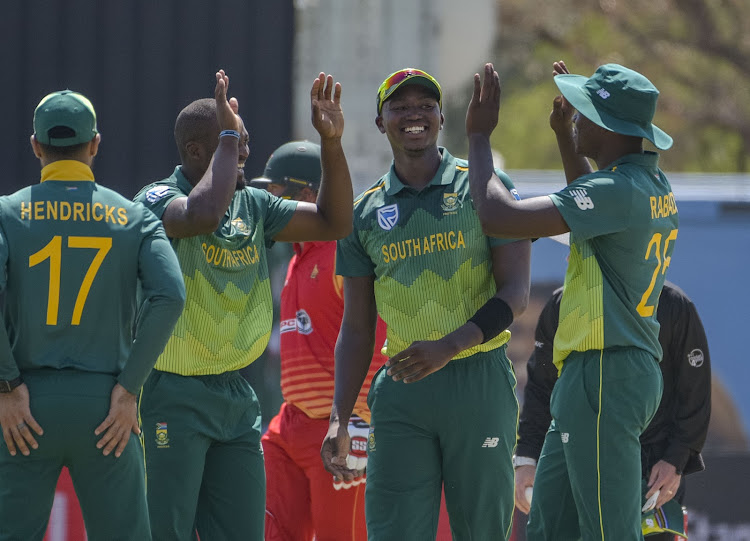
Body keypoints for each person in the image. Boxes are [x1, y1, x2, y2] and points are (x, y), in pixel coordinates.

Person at [134, 71, 353, 541]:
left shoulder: (253, 206)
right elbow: (200, 215)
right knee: (164, 531)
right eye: (233, 142)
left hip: (236, 396)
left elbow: (336, 222)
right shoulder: (157, 198)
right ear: (197, 152)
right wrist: (228, 134)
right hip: (173, 390)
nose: (245, 152)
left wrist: (331, 144)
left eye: (244, 139)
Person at [466, 60, 680, 540]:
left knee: (609, 530)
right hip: (603, 371)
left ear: (609, 127)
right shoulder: (647, 183)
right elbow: (590, 200)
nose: (576, 117)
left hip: (605, 371)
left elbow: (497, 216)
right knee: (550, 527)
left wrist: (479, 138)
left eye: (584, 113)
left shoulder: (617, 190)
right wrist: (566, 137)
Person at [321, 67, 531, 541]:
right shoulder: (365, 213)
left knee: (482, 531)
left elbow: (515, 294)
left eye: (424, 106)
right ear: (380, 122)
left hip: (477, 381)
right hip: (403, 387)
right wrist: (339, 414)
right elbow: (356, 327)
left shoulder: (482, 186)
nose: (413, 115)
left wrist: (449, 346)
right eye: (400, 107)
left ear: (440, 117)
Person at [0, 89, 186, 541]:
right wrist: (128, 390)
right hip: (107, 410)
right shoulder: (135, 216)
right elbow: (171, 296)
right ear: (95, 144)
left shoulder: (6, 213)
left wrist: (7, 386)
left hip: (24, 407)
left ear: (35, 145)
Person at [251, 141, 387, 541]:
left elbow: (377, 343)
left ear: (309, 196)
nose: (269, 208)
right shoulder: (297, 256)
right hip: (289, 423)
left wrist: (358, 424)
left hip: (341, 429)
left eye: (277, 196)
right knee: (270, 531)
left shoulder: (344, 253)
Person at [515, 281, 711, 539]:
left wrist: (676, 459)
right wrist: (527, 458)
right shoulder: (561, 304)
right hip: (576, 459)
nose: (574, 255)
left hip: (650, 468)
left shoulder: (672, 304)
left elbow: (694, 392)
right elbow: (542, 389)